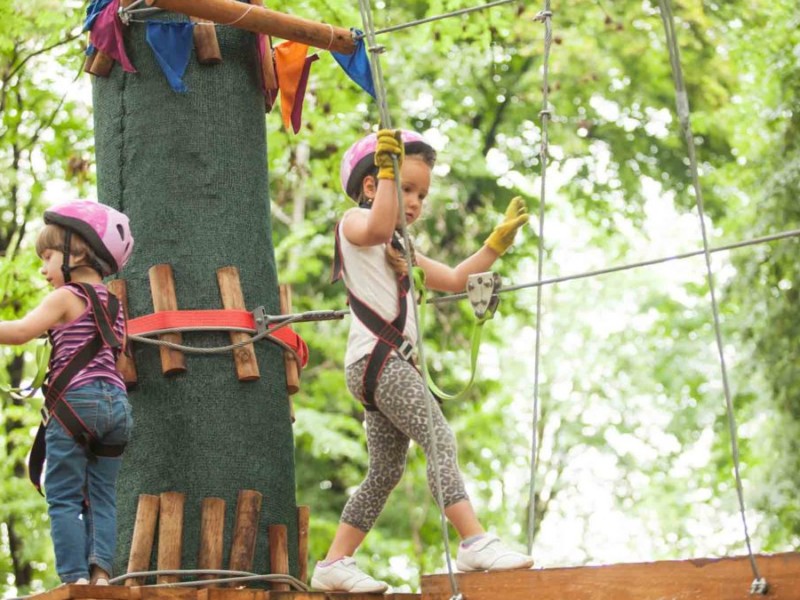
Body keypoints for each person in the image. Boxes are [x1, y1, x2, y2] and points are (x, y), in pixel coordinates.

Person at [311, 129, 533, 593]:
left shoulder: (401, 248)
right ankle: (473, 541)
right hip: (379, 360)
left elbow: (453, 278)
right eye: (404, 188)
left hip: (385, 366)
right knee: (439, 437)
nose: (414, 202)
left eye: (421, 194)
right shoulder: (355, 223)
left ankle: (334, 562)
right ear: (372, 186)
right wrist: (387, 173)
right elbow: (375, 224)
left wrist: (495, 245)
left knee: (385, 472)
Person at [0, 200, 134, 586]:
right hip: (117, 410)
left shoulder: (64, 298)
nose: (43, 268)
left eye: (48, 256)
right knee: (103, 496)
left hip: (76, 405)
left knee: (63, 496)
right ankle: (101, 575)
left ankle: (74, 579)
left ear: (75, 253)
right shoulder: (114, 305)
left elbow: (22, 331)